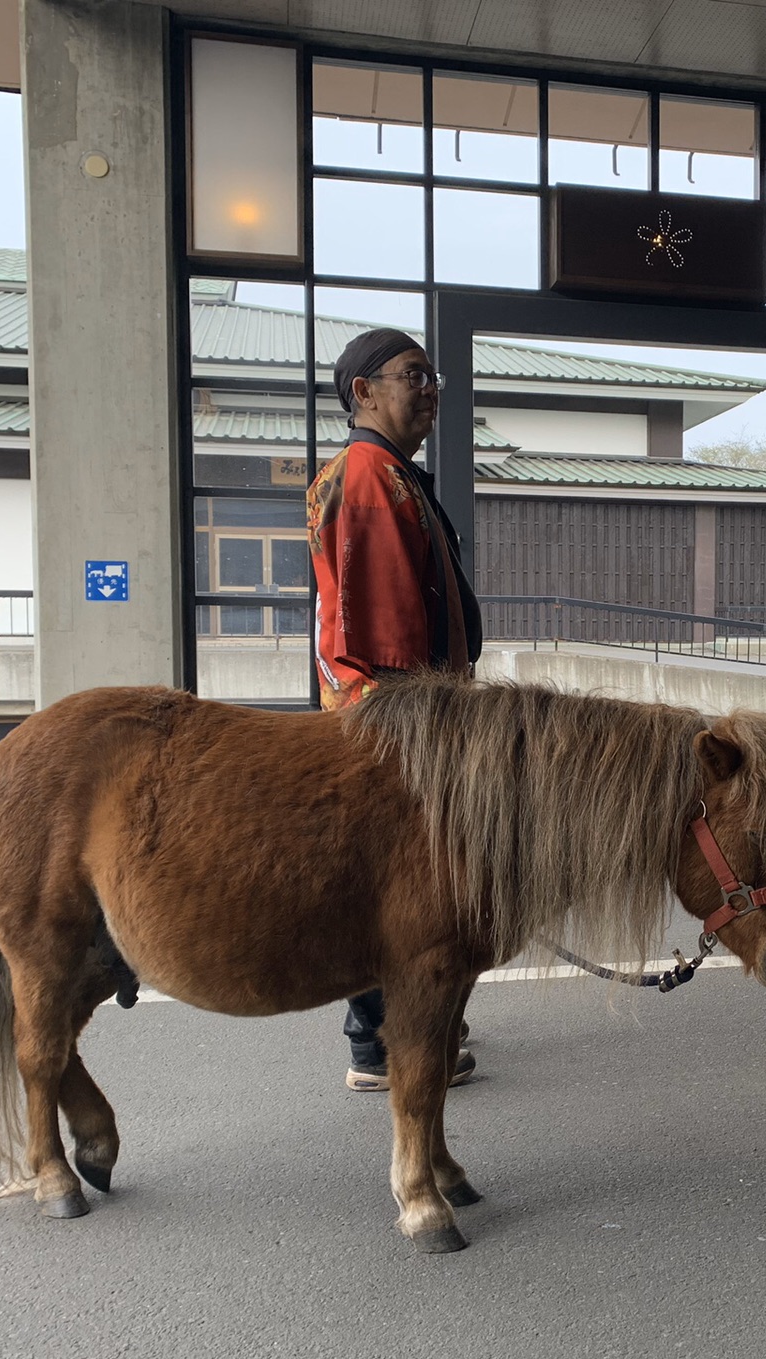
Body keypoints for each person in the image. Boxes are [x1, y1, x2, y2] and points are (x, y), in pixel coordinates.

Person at [309, 327, 483, 1093]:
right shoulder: (369, 474)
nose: (430, 388)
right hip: (393, 716)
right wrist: (433, 731)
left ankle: (392, 1031)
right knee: (398, 883)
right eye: (414, 374)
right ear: (363, 392)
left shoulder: (386, 472)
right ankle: (379, 1043)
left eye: (432, 376)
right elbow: (383, 632)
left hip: (392, 710)